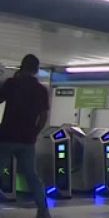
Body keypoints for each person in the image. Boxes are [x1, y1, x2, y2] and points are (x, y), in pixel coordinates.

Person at [0, 55, 50, 218]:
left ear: (21, 67)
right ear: (36, 70)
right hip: (27, 140)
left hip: (6, 137)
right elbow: (43, 117)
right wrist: (34, 133)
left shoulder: (12, 84)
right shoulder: (41, 90)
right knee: (32, 176)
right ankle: (43, 210)